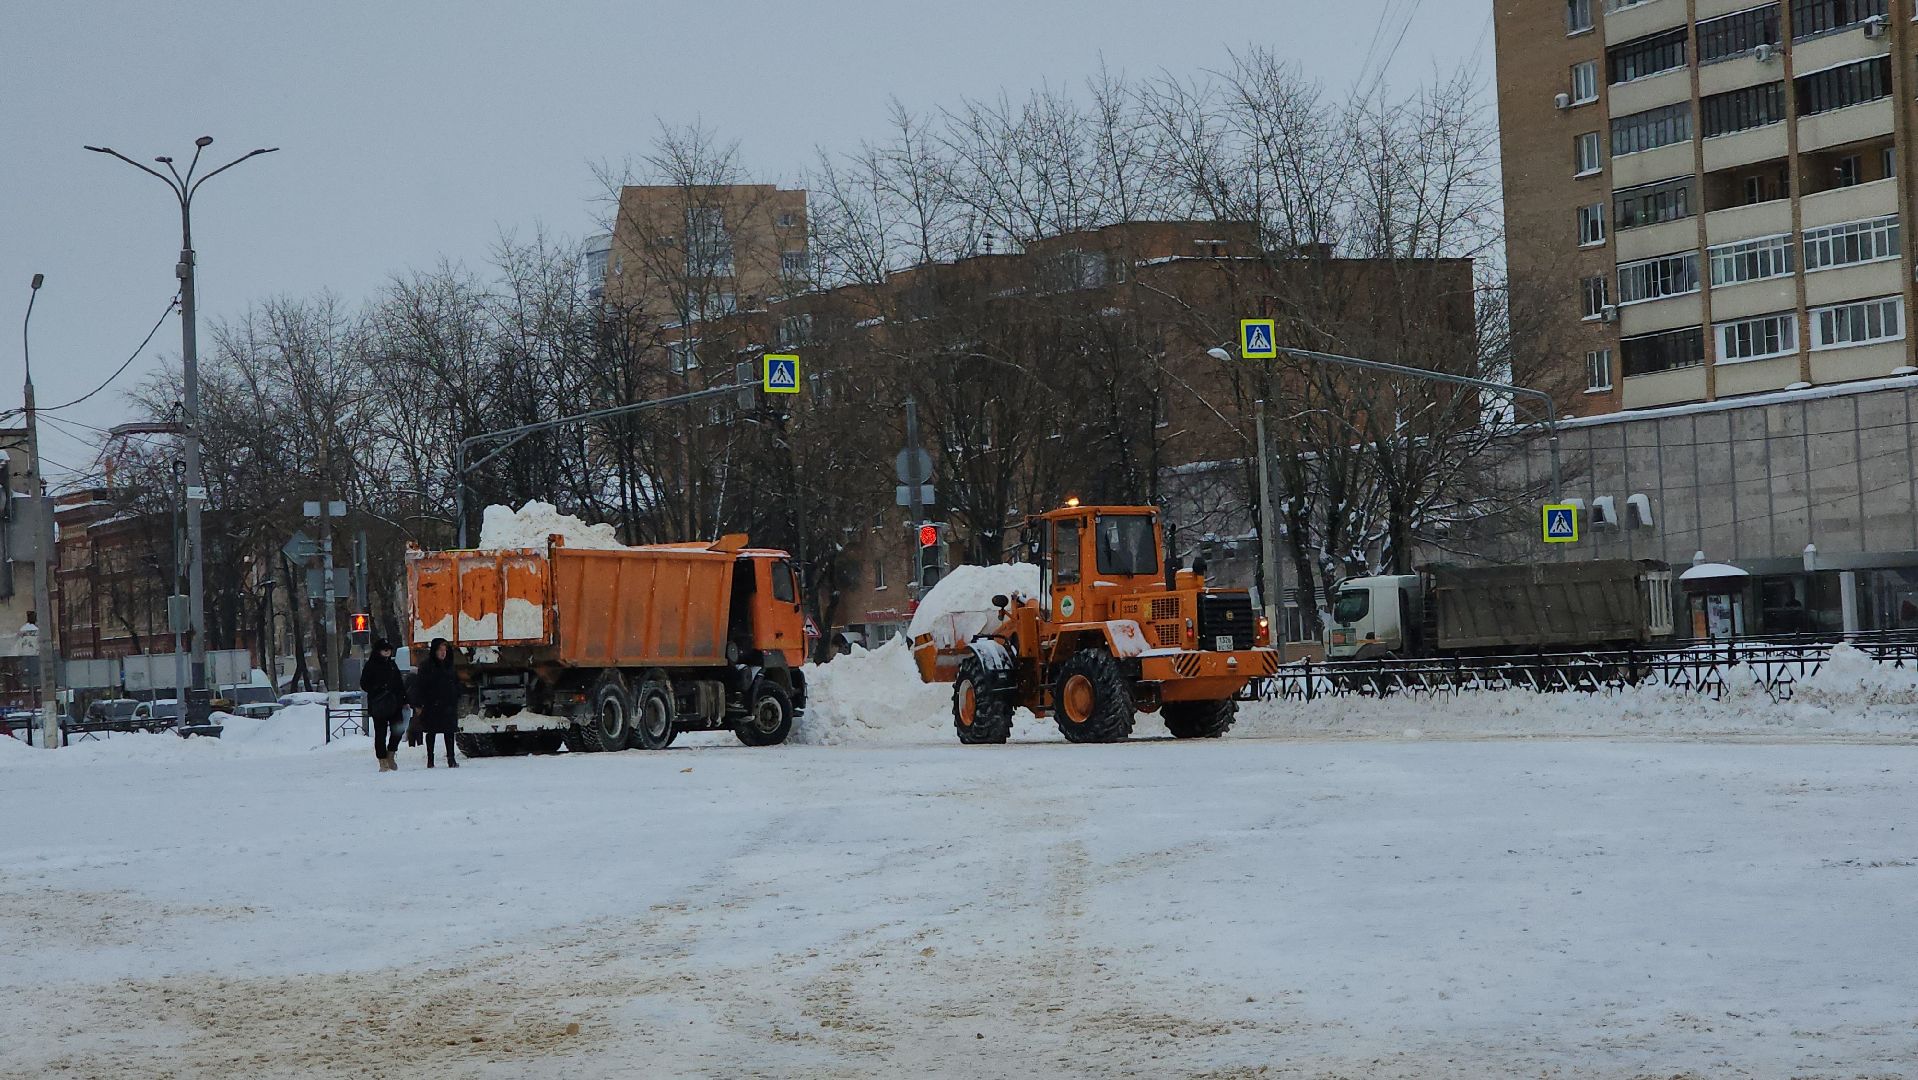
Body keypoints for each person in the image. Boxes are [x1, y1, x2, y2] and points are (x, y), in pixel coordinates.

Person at [409, 637, 462, 768]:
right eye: (440, 650)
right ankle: (430, 759)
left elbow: (456, 682)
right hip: (432, 704)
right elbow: (420, 685)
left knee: (449, 732)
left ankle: (451, 759)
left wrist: (456, 694)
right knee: (431, 732)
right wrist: (418, 703)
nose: (443, 653)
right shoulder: (427, 666)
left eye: (445, 650)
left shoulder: (449, 665)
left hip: (448, 704)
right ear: (434, 651)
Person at [359, 638, 407, 771]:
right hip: (379, 704)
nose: (387, 652)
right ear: (378, 651)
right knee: (380, 733)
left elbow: (399, 683)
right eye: (385, 650)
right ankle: (382, 760)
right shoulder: (371, 665)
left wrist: (404, 700)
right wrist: (378, 689)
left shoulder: (392, 665)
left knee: (398, 729)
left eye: (389, 650)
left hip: (394, 703)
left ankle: (391, 753)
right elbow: (364, 683)